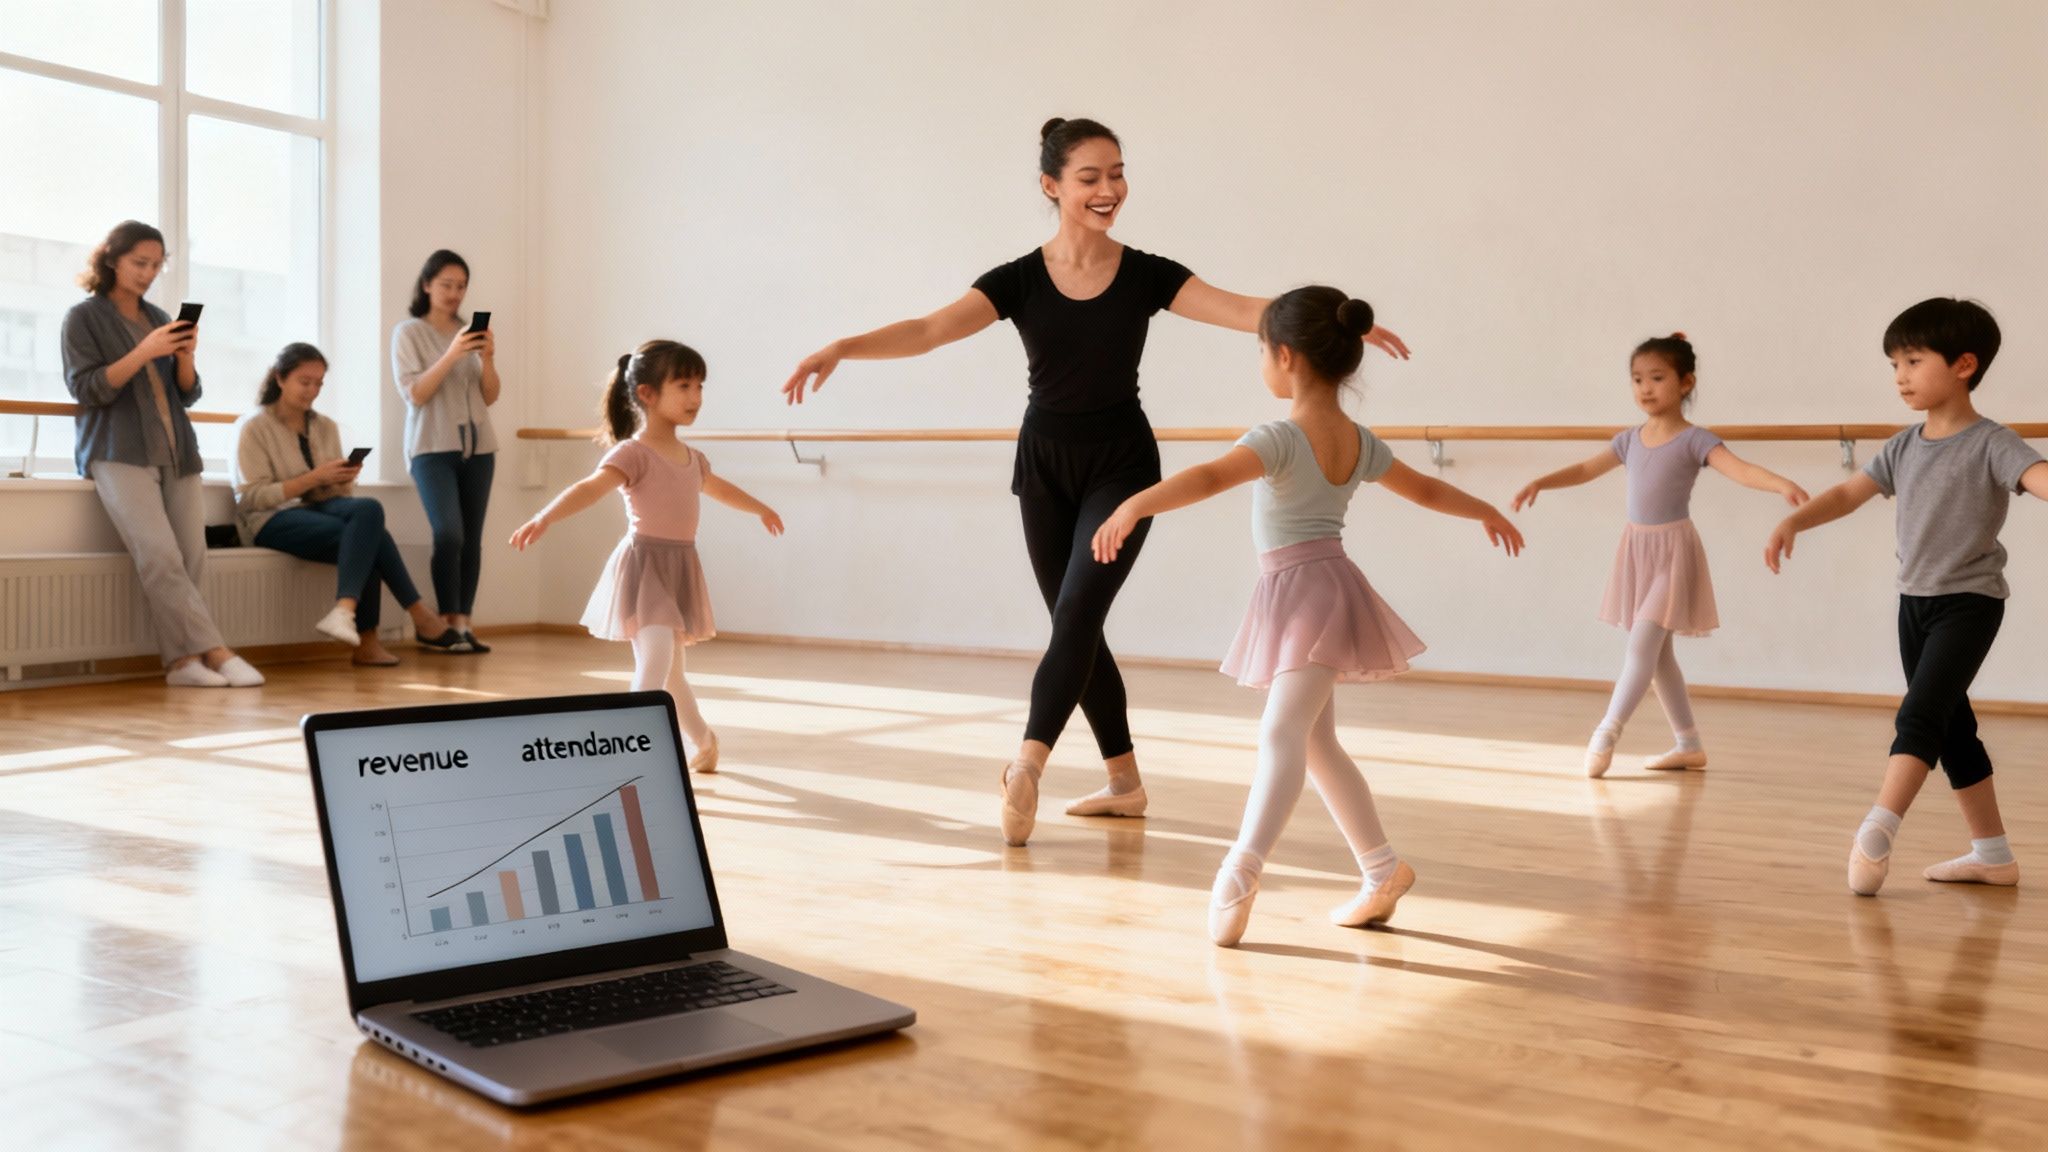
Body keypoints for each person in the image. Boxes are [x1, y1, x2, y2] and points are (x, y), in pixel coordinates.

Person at [782, 117, 1411, 847]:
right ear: (1051, 186)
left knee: (1078, 613)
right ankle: (1125, 783)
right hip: (1044, 467)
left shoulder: (1147, 274)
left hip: (1122, 465)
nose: (1109, 188)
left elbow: (1249, 312)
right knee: (1073, 625)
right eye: (1090, 177)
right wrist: (843, 347)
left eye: (1117, 172)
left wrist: (1334, 326)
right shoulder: (1017, 280)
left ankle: (1027, 762)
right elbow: (929, 331)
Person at [1092, 287, 1524, 946]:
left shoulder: (1279, 437)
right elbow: (1427, 489)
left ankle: (1241, 868)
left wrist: (1133, 505)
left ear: (1287, 356)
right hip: (1321, 588)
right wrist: (1483, 510)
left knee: (1281, 733)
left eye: (1261, 350)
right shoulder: (1356, 438)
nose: (1261, 362)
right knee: (1316, 744)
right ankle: (1382, 870)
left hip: (1305, 595)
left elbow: (1209, 477)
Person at [1765, 298, 2047, 895]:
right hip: (1913, 603)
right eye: (1895, 363)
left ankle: (1878, 826)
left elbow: (2038, 477)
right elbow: (1848, 494)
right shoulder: (1902, 445)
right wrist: (1794, 522)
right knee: (1951, 728)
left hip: (1970, 603)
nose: (1900, 375)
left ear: (1964, 365)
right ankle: (1993, 855)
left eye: (1914, 361)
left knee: (1918, 716)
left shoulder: (1992, 443)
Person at [1512, 333, 1807, 776]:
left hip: (1673, 554)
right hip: (1636, 550)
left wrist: (1780, 484)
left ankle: (1607, 731)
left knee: (1642, 645)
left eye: (1656, 378)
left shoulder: (1695, 440)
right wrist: (1542, 482)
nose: (1645, 388)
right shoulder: (1629, 440)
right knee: (1659, 656)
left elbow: (1741, 469)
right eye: (1637, 379)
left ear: (1685, 383)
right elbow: (1586, 469)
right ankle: (1688, 744)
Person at [512, 341, 785, 775]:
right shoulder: (632, 453)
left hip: (680, 567)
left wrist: (760, 509)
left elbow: (719, 489)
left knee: (673, 672)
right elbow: (589, 488)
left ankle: (704, 740)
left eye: (700, 386)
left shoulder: (693, 459)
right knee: (657, 657)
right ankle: (631, 745)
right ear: (647, 394)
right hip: (645, 568)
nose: (696, 396)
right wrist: (545, 517)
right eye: (684, 386)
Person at [60, 219, 263, 688]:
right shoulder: (83, 318)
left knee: (192, 558)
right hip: (117, 450)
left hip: (177, 450)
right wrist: (144, 351)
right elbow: (87, 388)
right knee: (159, 556)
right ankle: (217, 651)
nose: (148, 273)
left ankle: (181, 663)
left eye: (156, 265)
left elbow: (187, 394)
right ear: (111, 259)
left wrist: (185, 357)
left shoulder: (157, 316)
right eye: (140, 263)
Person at [232, 343, 472, 665]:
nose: (312, 391)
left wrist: (342, 479)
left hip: (318, 507)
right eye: (305, 382)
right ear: (279, 378)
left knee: (368, 511)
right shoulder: (253, 427)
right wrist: (313, 478)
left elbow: (335, 497)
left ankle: (346, 612)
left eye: (319, 383)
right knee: (370, 537)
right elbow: (250, 497)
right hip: (270, 519)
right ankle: (404, 621)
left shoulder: (325, 426)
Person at [392, 249, 499, 652]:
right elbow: (416, 393)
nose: (455, 293)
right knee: (449, 533)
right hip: (431, 448)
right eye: (446, 285)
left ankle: (462, 625)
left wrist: (487, 359)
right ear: (426, 285)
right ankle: (440, 625)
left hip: (479, 446)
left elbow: (489, 396)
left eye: (461, 286)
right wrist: (452, 353)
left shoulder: (468, 332)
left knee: (472, 539)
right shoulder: (409, 332)